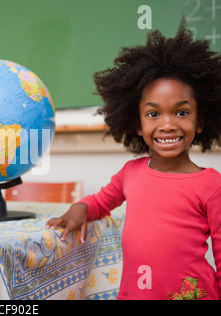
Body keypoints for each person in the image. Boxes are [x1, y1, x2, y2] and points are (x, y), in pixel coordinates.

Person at [46, 22, 221, 300]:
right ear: (137, 124)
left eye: (181, 112)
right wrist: (81, 206)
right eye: (153, 114)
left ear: (199, 121)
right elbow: (102, 202)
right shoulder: (131, 173)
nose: (167, 124)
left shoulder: (211, 186)